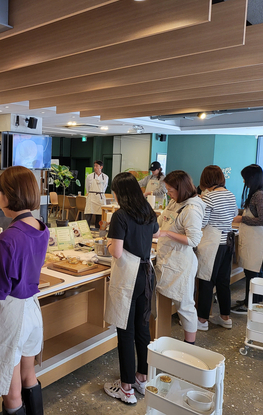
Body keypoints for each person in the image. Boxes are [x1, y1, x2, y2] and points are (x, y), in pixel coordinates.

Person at [0, 166, 49, 415]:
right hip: (31, 310)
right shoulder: (41, 226)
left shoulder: (8, 237)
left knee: (12, 390)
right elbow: (22, 263)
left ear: (9, 195)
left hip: (10, 316)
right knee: (29, 375)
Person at [102, 172, 159, 405]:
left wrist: (107, 243)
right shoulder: (147, 211)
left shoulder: (120, 215)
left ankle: (125, 388)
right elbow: (155, 233)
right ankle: (141, 378)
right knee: (142, 329)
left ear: (119, 193)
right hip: (146, 274)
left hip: (128, 277)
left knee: (125, 331)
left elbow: (116, 252)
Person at [155, 170, 205, 344]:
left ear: (181, 188)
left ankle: (189, 345)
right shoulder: (174, 202)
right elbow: (161, 222)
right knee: (167, 299)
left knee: (185, 305)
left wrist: (167, 233)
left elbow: (193, 239)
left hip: (181, 263)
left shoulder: (192, 208)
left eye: (171, 190)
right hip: (167, 258)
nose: (168, 194)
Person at [196, 166, 238, 331]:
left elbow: (202, 222)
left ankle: (202, 320)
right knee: (223, 281)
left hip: (213, 242)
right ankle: (225, 317)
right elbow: (234, 214)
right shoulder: (230, 194)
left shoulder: (209, 197)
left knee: (206, 280)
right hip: (228, 241)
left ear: (206, 180)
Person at [231, 165, 263, 314]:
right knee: (252, 271)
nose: (243, 181)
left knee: (253, 271)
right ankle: (252, 301)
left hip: (256, 237)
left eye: (245, 178)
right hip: (252, 236)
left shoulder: (259, 195)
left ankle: (251, 303)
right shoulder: (258, 193)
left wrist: (243, 218)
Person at [84, 160, 109, 228]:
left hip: (100, 197)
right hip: (91, 196)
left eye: (97, 166)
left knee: (100, 216)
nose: (95, 167)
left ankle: (99, 231)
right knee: (88, 216)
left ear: (101, 167)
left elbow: (105, 187)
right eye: (94, 166)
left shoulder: (106, 177)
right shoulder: (89, 176)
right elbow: (87, 187)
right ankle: (86, 231)